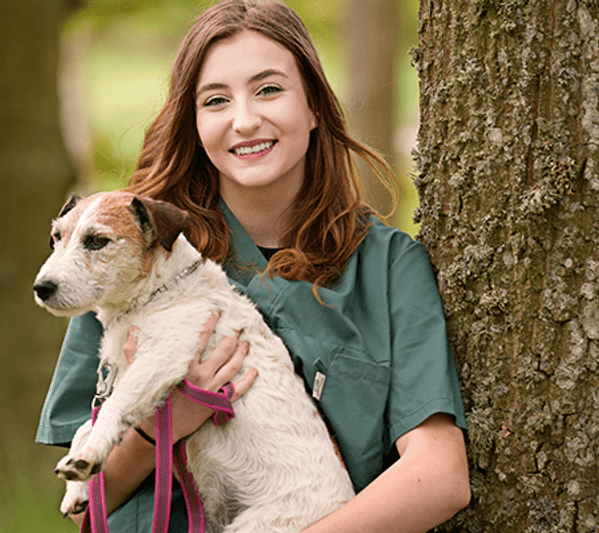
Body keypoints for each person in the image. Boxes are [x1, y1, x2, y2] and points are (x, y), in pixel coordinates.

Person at [36, 1, 471, 532]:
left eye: (269, 89)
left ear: (313, 106)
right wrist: (164, 423)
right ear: (194, 123)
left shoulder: (387, 267)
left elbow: (440, 476)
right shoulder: (137, 256)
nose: (245, 120)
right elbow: (86, 502)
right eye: (216, 100)